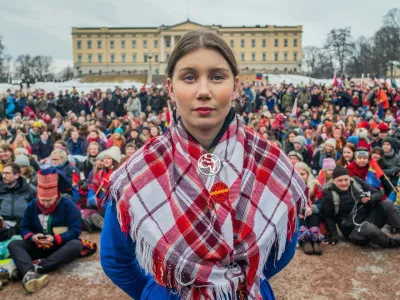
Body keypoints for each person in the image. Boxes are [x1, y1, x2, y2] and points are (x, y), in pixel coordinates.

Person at [100, 30, 306, 300]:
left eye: (217, 77)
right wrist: (161, 293)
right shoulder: (137, 172)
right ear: (170, 88)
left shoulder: (273, 163)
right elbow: (115, 259)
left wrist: (236, 283)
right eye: (189, 77)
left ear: (236, 86)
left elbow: (283, 247)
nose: (204, 91)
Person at [7, 169, 83, 293]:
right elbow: (23, 227)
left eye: (49, 200)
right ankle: (29, 274)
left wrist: (55, 238)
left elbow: (75, 230)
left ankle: (38, 267)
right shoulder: (33, 205)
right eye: (42, 200)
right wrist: (32, 237)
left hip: (59, 246)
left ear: (57, 196)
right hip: (38, 245)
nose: (45, 203)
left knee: (76, 244)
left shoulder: (67, 205)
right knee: (14, 244)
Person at [322, 166, 400, 248]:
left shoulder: (356, 181)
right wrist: (334, 236)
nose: (344, 183)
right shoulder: (329, 194)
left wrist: (371, 199)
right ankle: (393, 243)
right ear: (333, 181)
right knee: (368, 228)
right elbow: (328, 217)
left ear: (349, 178)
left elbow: (378, 193)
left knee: (387, 204)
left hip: (369, 219)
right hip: (353, 231)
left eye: (346, 179)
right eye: (340, 180)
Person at [0, 163, 37, 242]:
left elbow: (36, 207)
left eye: (7, 173)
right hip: (3, 222)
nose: (4, 176)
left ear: (16, 175)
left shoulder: (29, 189)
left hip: (22, 222)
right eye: (3, 173)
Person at [295, 162, 324, 255]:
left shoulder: (314, 186)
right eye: (296, 173)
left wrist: (311, 208)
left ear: (308, 175)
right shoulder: (290, 186)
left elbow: (322, 202)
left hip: (312, 212)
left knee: (314, 213)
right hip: (298, 214)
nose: (299, 176)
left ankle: (315, 239)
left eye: (302, 174)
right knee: (301, 214)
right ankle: (305, 239)